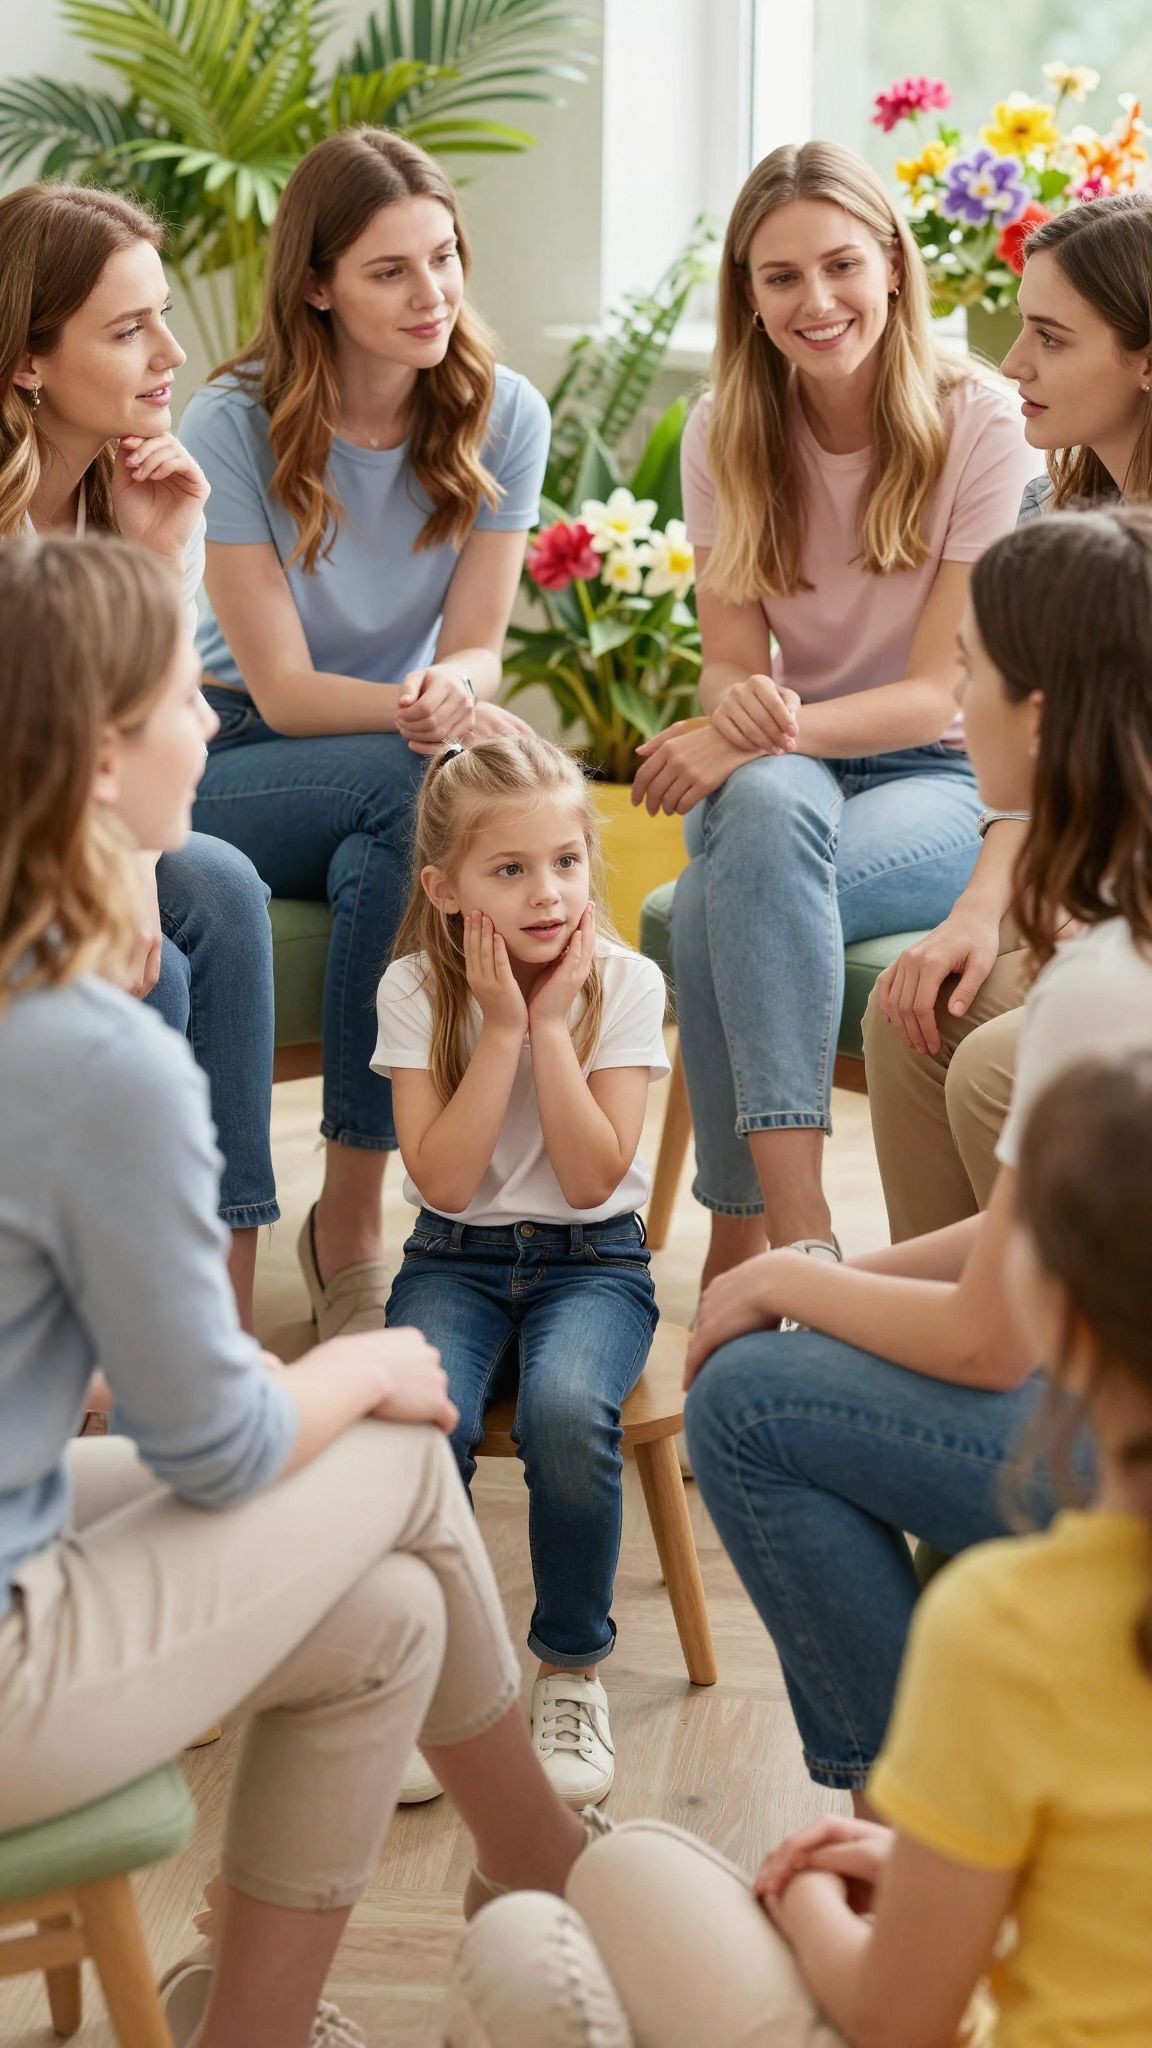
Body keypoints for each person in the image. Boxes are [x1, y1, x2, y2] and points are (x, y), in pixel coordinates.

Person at [0, 533, 605, 2048]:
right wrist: (367, 1366)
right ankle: (550, 1868)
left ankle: (255, 2019)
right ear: (98, 757)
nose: (211, 727)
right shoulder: (94, 1048)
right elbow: (215, 1448)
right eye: (181, 699)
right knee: (400, 1435)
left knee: (390, 1614)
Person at [445, 1050, 1152, 2048]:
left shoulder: (1005, 1627)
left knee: (561, 1916)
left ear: (1056, 1314)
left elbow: (897, 2020)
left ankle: (881, 1843)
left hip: (931, 2005)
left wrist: (806, 1889)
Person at [679, 501, 1152, 1809]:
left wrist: (787, 1279)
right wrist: (831, 1273)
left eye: (970, 673)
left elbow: (986, 1345)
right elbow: (1023, 1232)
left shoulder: (1103, 987)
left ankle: (912, 1816)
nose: (956, 699)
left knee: (746, 1403)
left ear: (1039, 719)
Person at [628, 140, 1038, 1296]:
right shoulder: (723, 427)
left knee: (715, 896)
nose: (817, 301)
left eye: (842, 264)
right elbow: (727, 663)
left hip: (946, 776)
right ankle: (801, 1236)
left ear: (895, 264)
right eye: (782, 277)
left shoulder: (981, 420)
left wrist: (748, 729)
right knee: (758, 813)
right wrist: (740, 707)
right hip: (793, 766)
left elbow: (935, 694)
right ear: (748, 296)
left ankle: (748, 1238)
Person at [181, 128, 549, 1341]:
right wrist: (419, 710)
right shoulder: (233, 422)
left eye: (443, 257)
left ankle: (362, 1219)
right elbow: (284, 690)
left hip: (388, 751)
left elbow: (482, 641)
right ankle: (345, 1223)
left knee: (394, 839)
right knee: (415, 783)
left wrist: (451, 684)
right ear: (317, 287)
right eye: (390, 270)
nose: (431, 291)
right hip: (230, 751)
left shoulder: (503, 411)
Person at [0, 179, 276, 1327]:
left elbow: (156, 728)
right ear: (28, 359)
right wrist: (110, 874)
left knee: (220, 885)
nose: (171, 353)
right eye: (128, 330)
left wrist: (163, 560)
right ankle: (112, 1313)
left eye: (162, 315)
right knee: (138, 945)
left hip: (80, 826)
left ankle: (215, 1304)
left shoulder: (135, 496)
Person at [374, 734, 668, 1806]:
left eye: (566, 862)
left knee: (564, 1410)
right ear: (445, 890)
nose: (548, 892)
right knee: (422, 1420)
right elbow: (447, 1183)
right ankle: (444, 1683)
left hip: (595, 1262)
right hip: (453, 1258)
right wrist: (501, 1028)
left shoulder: (626, 981)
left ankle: (571, 1670)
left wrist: (550, 1027)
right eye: (510, 869)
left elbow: (593, 1180)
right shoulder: (415, 987)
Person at [864, 190, 1152, 1239]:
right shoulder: (1048, 514)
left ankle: (1057, 1323)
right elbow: (1036, 769)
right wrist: (981, 912)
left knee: (993, 1064)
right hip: (1101, 900)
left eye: (1051, 337)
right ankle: (942, 1326)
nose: (1014, 363)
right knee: (915, 1012)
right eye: (1021, 327)